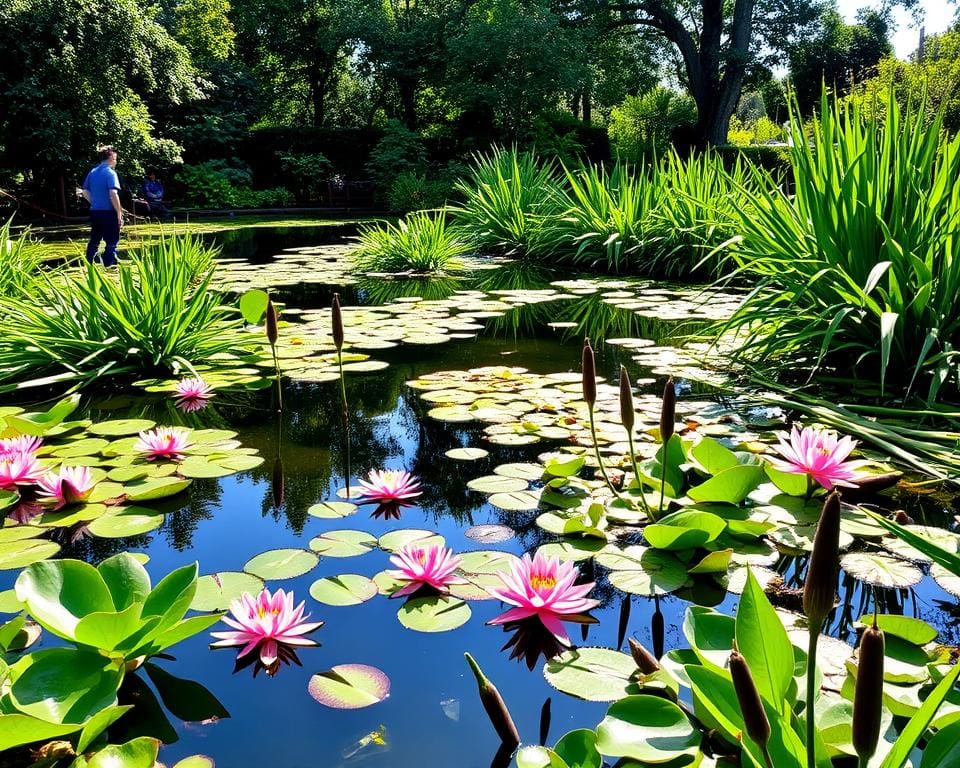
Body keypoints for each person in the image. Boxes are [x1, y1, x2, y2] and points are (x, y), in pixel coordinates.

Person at [81, 146, 123, 267]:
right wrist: (119, 213)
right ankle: (109, 265)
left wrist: (94, 202)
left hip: (95, 211)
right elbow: (113, 193)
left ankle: (88, 264)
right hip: (109, 212)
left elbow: (85, 191)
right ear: (111, 158)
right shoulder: (111, 173)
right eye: (115, 159)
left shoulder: (93, 172)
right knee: (111, 242)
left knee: (94, 240)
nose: (116, 162)